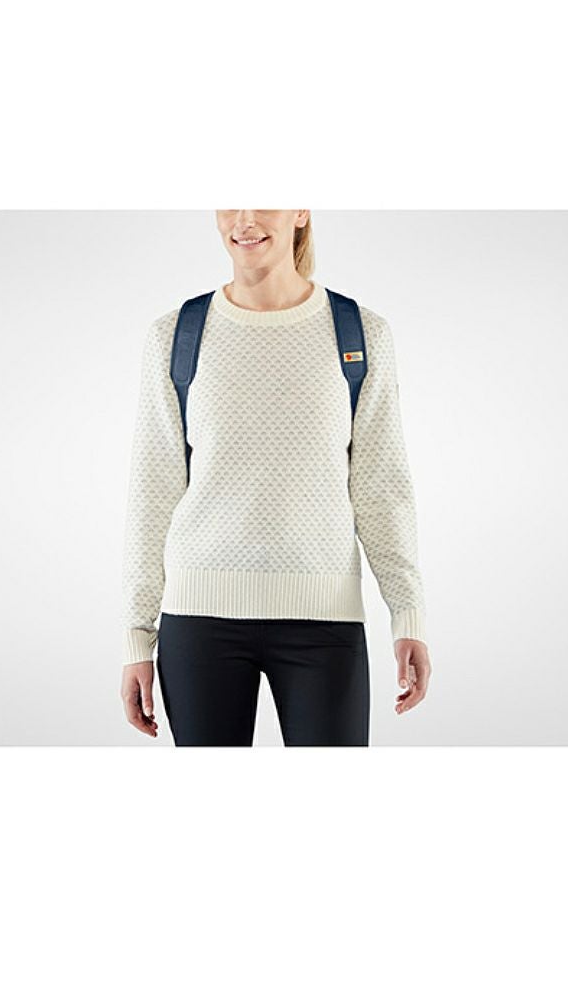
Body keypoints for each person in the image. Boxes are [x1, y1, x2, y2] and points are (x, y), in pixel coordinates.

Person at [119, 210, 431, 745]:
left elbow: (381, 488)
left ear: (301, 210)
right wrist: (136, 637)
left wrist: (407, 615)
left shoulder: (360, 334)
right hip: (199, 621)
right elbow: (153, 491)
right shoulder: (176, 336)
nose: (245, 218)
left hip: (325, 622)